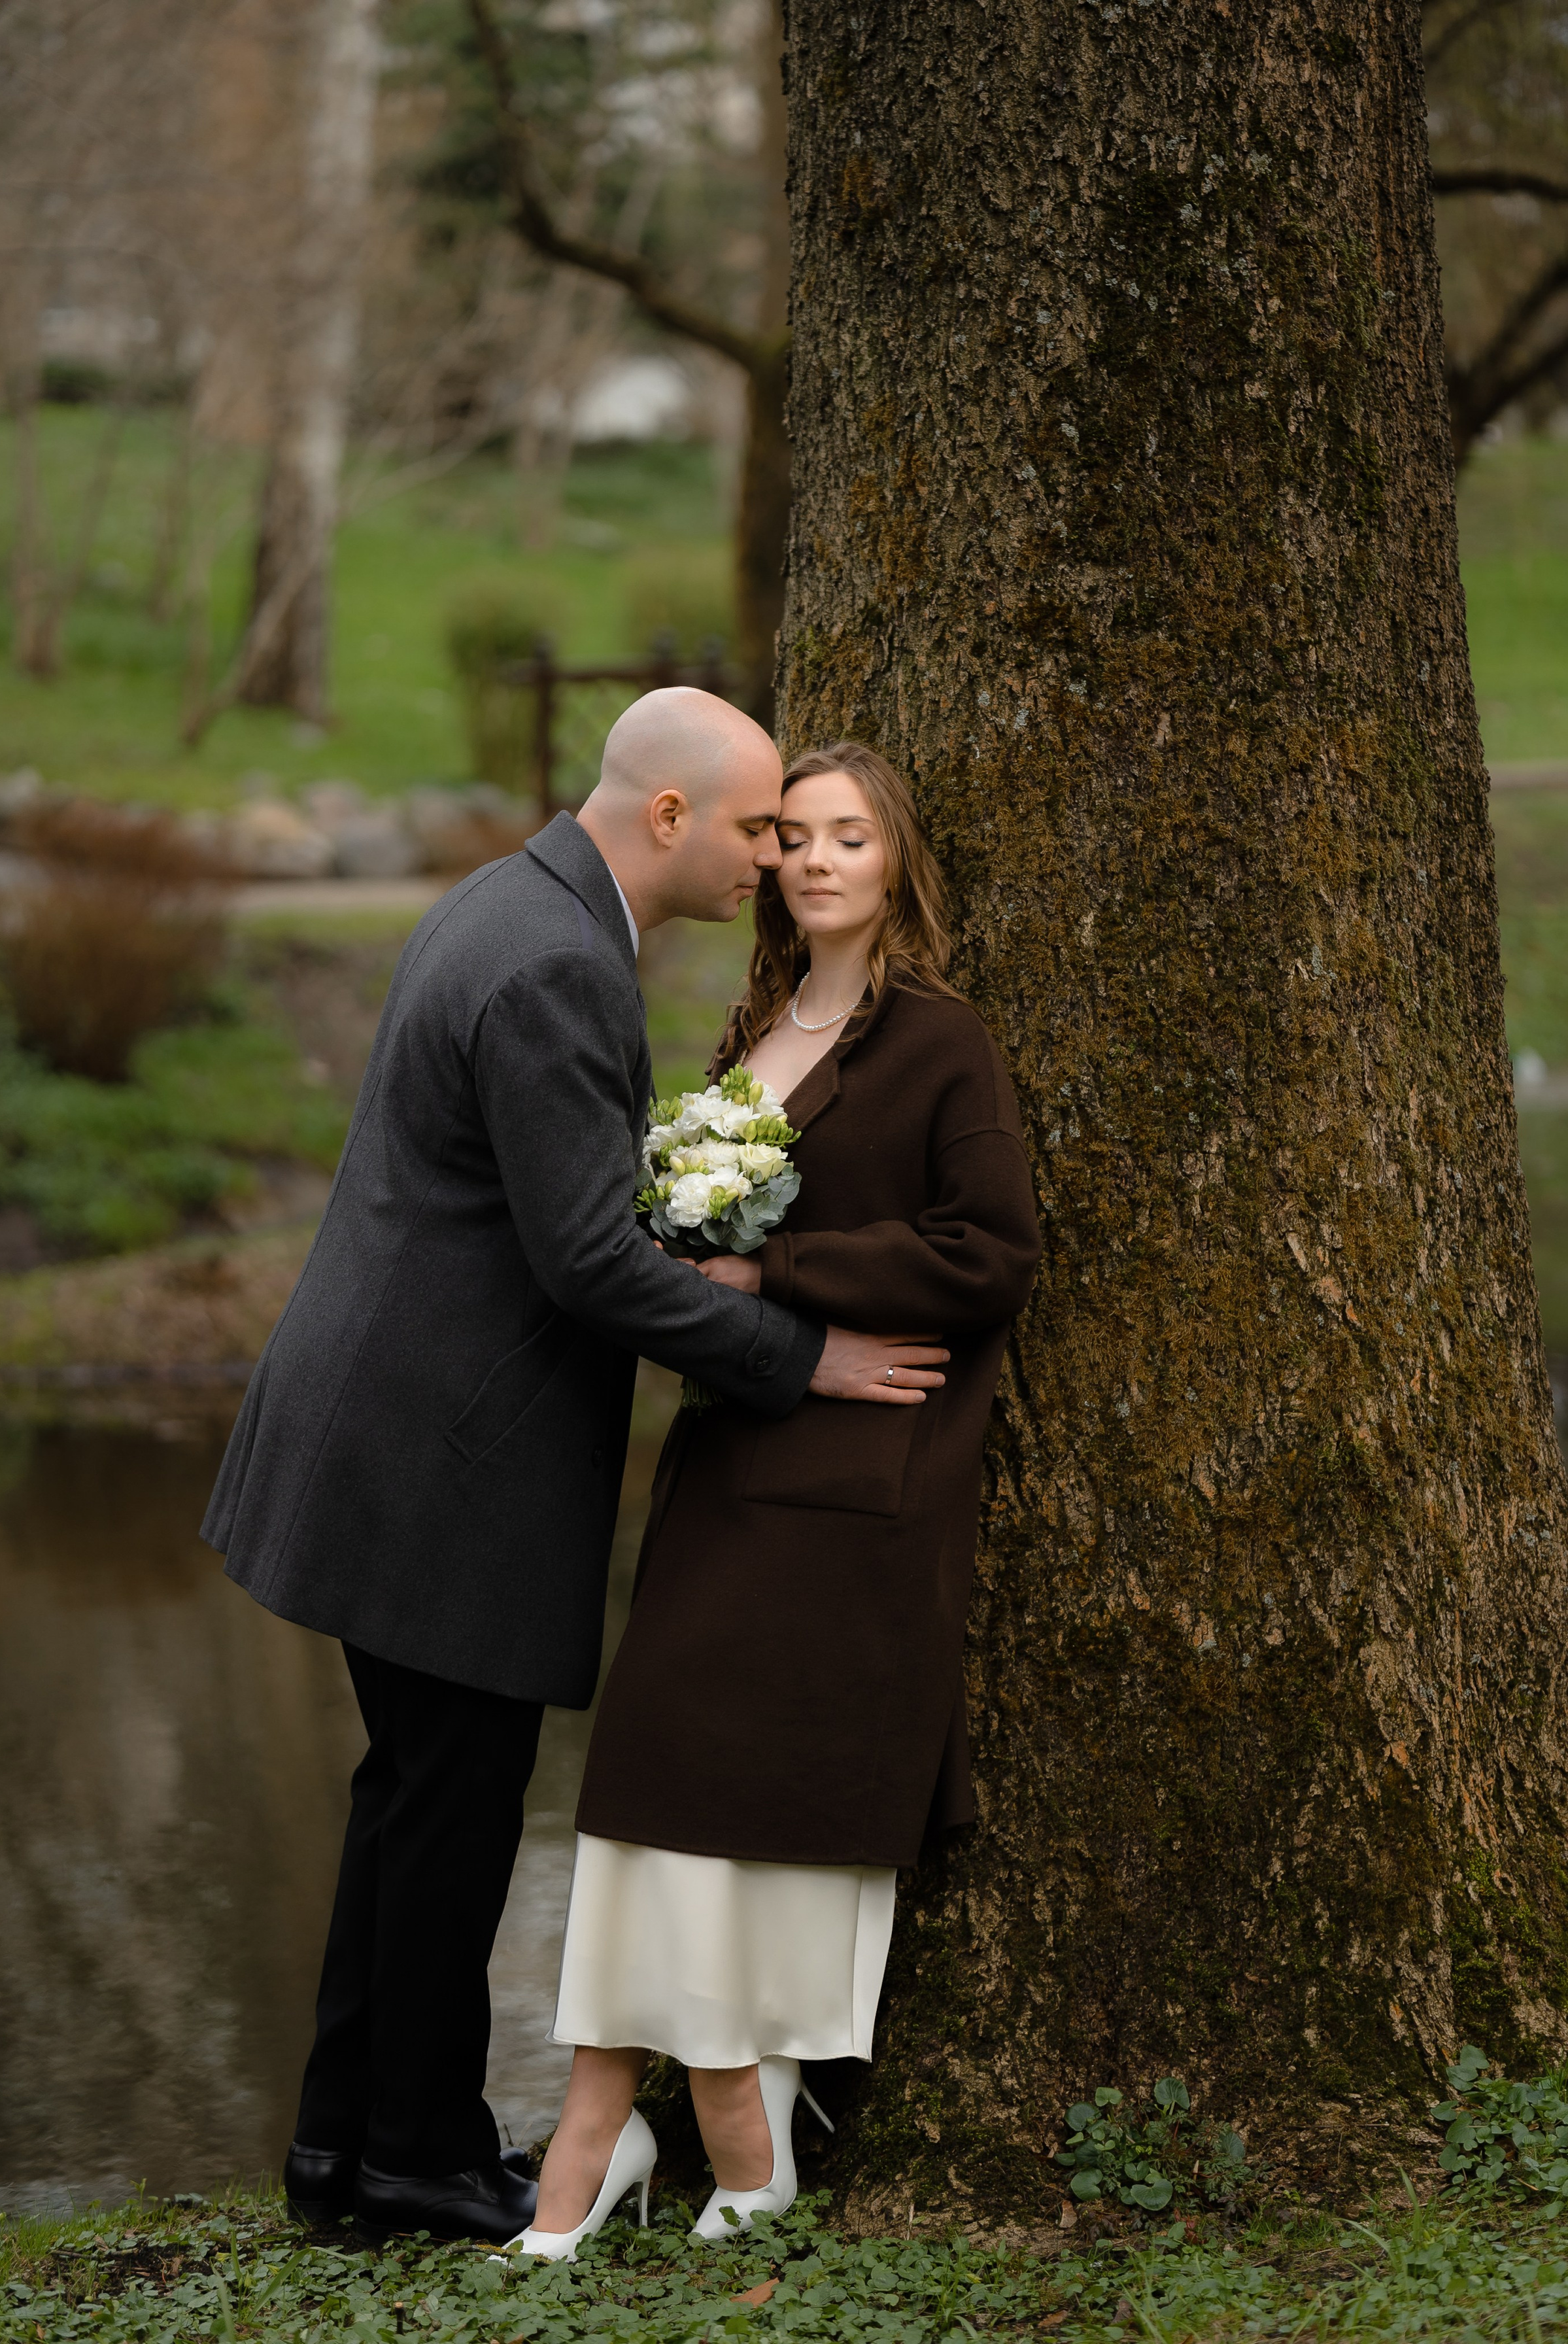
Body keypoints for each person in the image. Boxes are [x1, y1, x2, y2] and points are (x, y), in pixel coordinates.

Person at [199, 694, 949, 2247]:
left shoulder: (508, 898)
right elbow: (590, 1264)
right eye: (753, 826)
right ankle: (415, 2155)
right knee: (451, 1809)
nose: (770, 857)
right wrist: (800, 1354)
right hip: (435, 1459)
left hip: (382, 1428)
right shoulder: (557, 963)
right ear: (668, 816)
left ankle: (345, 2150)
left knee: (411, 1798)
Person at [506, 741, 1040, 2260]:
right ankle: (641, 2126)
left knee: (740, 1798)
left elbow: (992, 1252)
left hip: (858, 1486)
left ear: (897, 861)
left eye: (847, 836)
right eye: (793, 834)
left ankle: (719, 2118)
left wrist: (778, 1272)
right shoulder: (754, 1025)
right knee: (650, 1776)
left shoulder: (937, 1040)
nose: (812, 860)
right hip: (730, 1462)